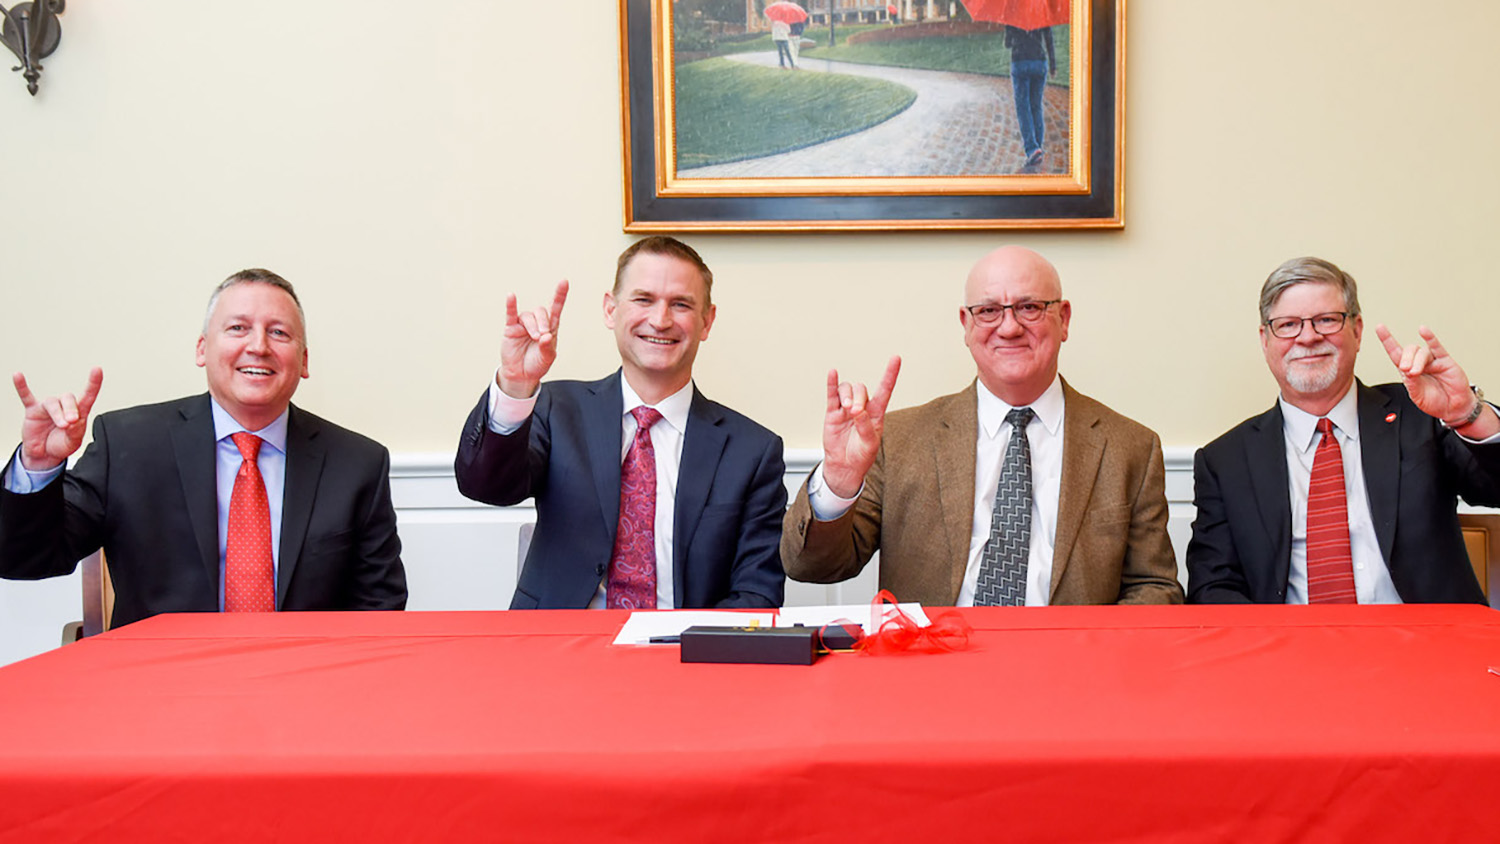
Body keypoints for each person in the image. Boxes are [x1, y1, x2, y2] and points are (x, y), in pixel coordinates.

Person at [0, 269, 407, 628]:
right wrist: (38, 464)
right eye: (237, 328)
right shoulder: (128, 444)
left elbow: (379, 610)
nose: (259, 346)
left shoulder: (357, 464)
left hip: (303, 690)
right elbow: (25, 559)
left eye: (279, 332)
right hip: (162, 689)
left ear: (302, 360)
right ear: (201, 349)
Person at [781, 246, 1182, 606]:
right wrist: (839, 480)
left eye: (1030, 307)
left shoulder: (1131, 447)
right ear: (966, 325)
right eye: (989, 310)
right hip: (930, 672)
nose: (1008, 327)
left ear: (1064, 318)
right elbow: (812, 567)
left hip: (1072, 673)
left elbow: (1155, 586)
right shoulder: (900, 440)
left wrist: (1092, 660)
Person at [455, 236, 786, 610]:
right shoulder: (555, 408)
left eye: (680, 304)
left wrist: (684, 648)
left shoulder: (753, 451)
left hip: (682, 655)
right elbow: (486, 486)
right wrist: (515, 386)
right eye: (643, 300)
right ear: (610, 310)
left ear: (706, 321)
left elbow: (757, 594)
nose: (660, 321)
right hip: (558, 651)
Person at [1187, 257, 1500, 604]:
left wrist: (1467, 414)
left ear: (1357, 329)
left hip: (1427, 645)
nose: (1308, 337)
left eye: (1326, 320)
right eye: (1288, 324)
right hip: (1290, 651)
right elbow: (1212, 589)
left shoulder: (1421, 414)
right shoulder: (1225, 461)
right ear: (1265, 339)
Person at [1004, 25, 1056, 172]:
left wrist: (1011, 32)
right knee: (1036, 106)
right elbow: (1049, 39)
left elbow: (1008, 44)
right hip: (1039, 62)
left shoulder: (1012, 13)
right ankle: (1037, 146)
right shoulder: (1041, 10)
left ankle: (1032, 148)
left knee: (1023, 107)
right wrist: (1053, 65)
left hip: (1020, 62)